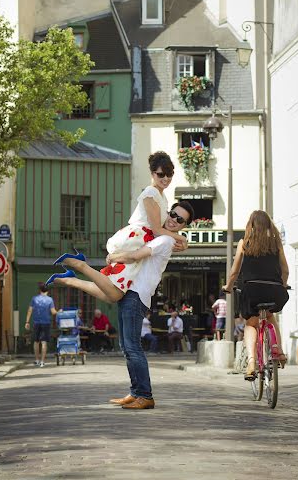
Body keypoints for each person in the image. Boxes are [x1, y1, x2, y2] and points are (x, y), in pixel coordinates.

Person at [48, 201, 194, 409]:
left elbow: (135, 256)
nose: (173, 220)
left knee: (133, 347)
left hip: (137, 295)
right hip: (132, 292)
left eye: (180, 220)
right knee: (126, 347)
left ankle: (145, 395)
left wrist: (113, 257)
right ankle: (136, 392)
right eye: (173, 214)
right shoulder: (163, 237)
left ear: (183, 226)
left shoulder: (164, 241)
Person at [48, 151, 187, 300]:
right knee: (115, 293)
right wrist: (182, 238)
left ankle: (70, 279)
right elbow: (157, 229)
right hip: (136, 241)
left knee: (110, 295)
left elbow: (162, 233)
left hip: (142, 242)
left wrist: (179, 243)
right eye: (161, 174)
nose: (166, 178)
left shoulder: (162, 196)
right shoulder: (150, 193)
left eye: (169, 174)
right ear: (153, 174)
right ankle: (80, 265)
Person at [222, 210, 289, 381]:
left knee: (251, 324)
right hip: (274, 289)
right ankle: (277, 349)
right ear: (268, 225)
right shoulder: (276, 243)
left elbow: (235, 271)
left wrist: (228, 286)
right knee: (271, 316)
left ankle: (251, 363)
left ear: (251, 225)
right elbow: (285, 269)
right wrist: (283, 284)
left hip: (252, 290)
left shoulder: (244, 242)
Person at [25, 283, 58, 367]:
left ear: (40, 290)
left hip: (36, 323)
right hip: (46, 323)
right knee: (44, 342)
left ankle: (37, 360)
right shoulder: (50, 300)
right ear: (47, 290)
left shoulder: (34, 299)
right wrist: (59, 312)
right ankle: (42, 361)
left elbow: (30, 310)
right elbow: (53, 312)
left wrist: (27, 322)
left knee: (36, 342)